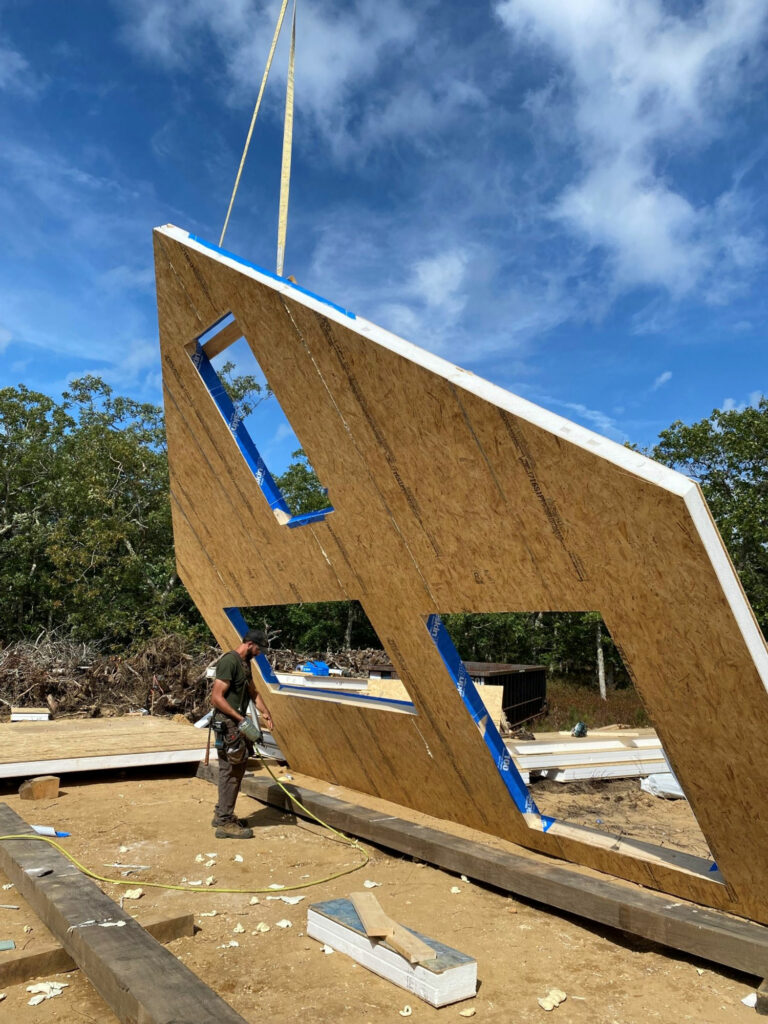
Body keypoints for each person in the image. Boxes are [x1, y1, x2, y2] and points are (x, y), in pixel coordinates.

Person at [210, 629, 274, 839]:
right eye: (258, 649)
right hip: (229, 724)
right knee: (231, 771)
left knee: (233, 770)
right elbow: (217, 698)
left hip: (236, 724)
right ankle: (225, 822)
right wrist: (239, 719)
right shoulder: (230, 662)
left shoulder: (245, 664)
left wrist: (265, 712)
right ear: (249, 644)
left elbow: (252, 692)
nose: (259, 653)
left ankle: (222, 814)